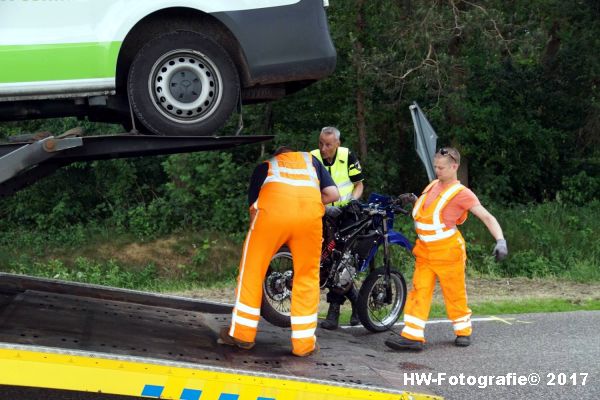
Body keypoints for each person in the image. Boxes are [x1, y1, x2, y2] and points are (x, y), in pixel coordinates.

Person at [218, 146, 339, 357]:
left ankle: (242, 336)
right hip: (310, 218)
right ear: (294, 153)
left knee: (252, 271)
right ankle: (304, 345)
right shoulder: (312, 162)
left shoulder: (266, 167)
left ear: (277, 156)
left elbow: (254, 212)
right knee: (307, 277)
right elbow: (332, 194)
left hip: (273, 217)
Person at [385, 147, 508, 351]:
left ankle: (463, 330)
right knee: (419, 291)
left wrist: (500, 240)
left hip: (448, 252)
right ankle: (412, 336)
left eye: (441, 167)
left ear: (454, 167)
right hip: (425, 252)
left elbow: (487, 217)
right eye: (435, 166)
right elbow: (429, 213)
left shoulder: (463, 194)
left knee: (454, 293)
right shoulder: (433, 185)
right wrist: (414, 201)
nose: (437, 171)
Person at [310, 126, 365, 330]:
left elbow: (359, 184)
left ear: (337, 144)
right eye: (321, 144)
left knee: (342, 261)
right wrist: (323, 207)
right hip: (323, 214)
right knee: (326, 264)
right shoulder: (312, 158)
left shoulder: (347, 155)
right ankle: (358, 301)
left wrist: (352, 201)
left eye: (328, 145)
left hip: (346, 215)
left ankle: (334, 310)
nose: (324, 149)